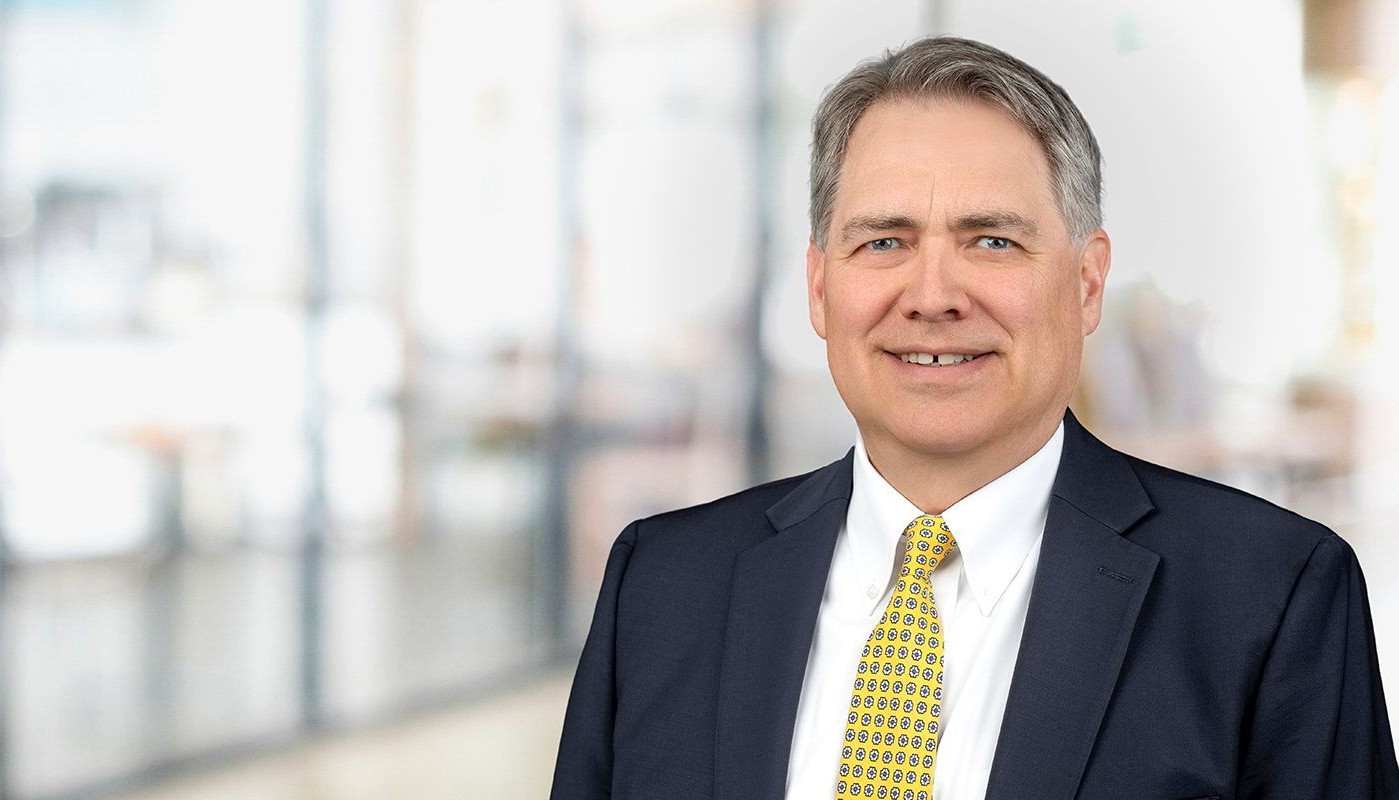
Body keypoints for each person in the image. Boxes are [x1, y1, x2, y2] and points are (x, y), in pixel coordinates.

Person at [550, 36, 1398, 799]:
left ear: (1087, 281)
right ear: (819, 287)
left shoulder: (1274, 600)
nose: (932, 297)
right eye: (884, 241)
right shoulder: (661, 587)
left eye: (991, 240)